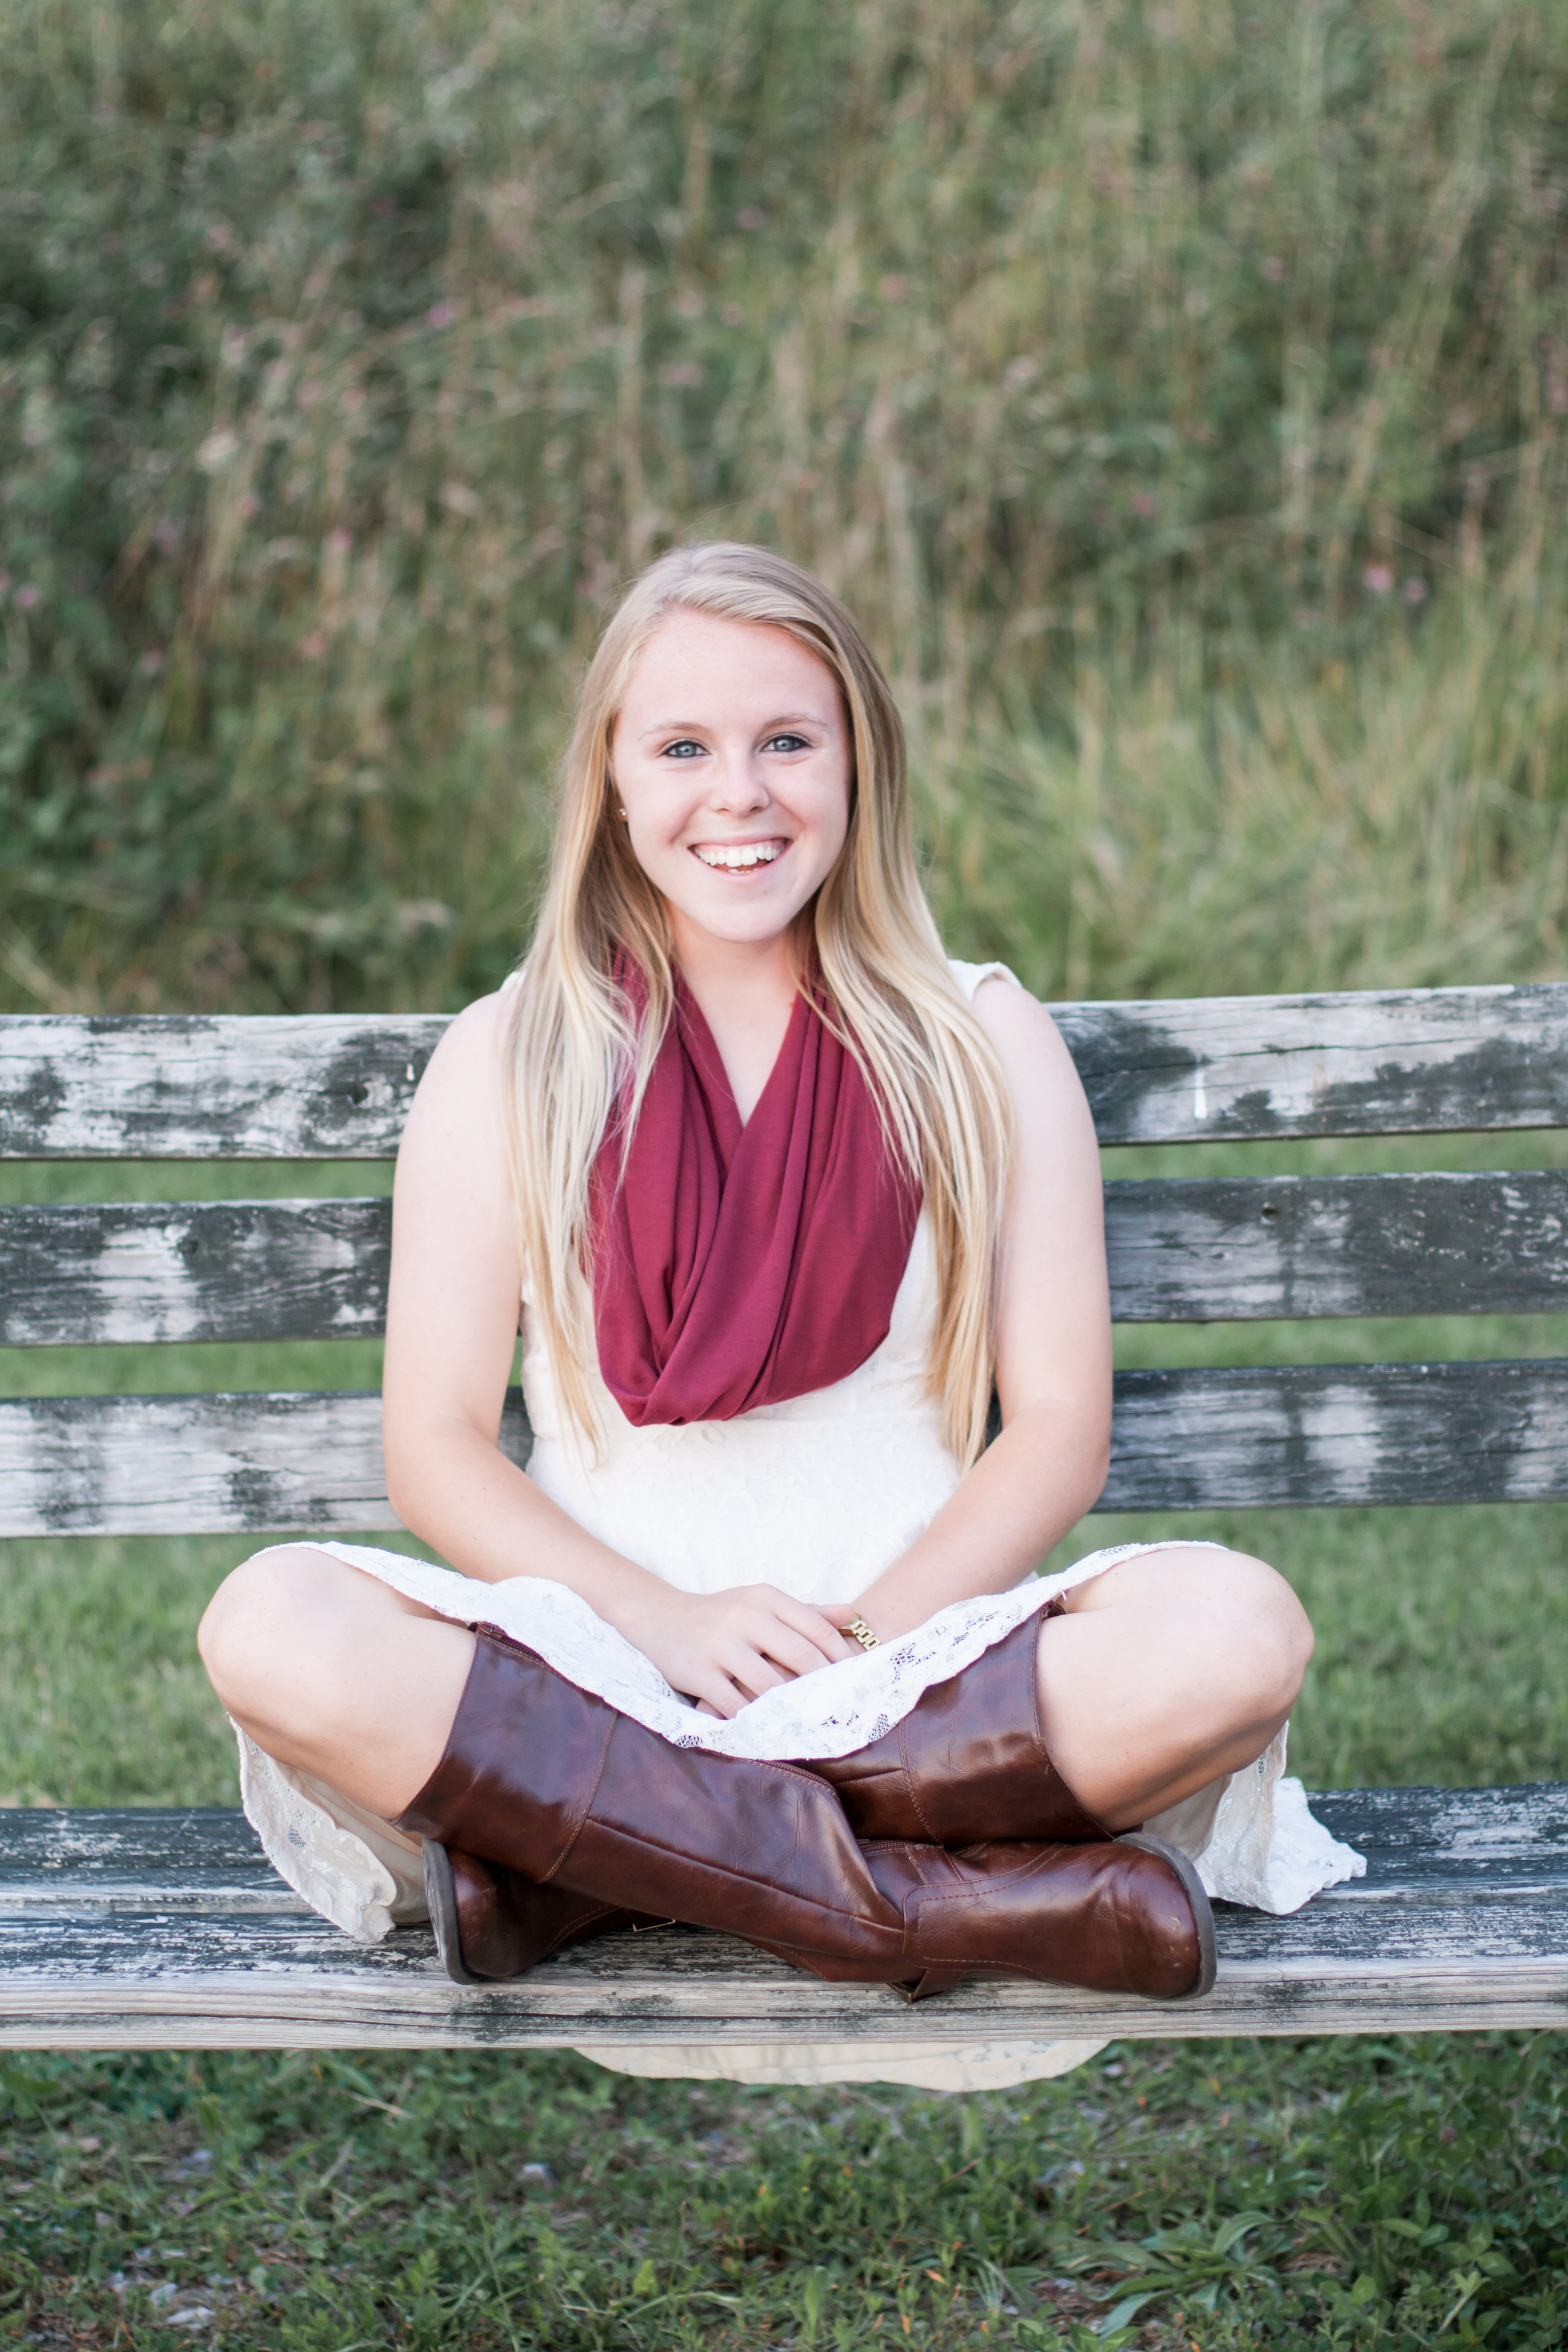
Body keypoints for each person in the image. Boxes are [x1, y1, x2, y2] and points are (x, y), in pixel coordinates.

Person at [199, 543, 1358, 2094]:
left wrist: (867, 1650)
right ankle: (911, 1900)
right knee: (270, 1621)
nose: (738, 793)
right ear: (613, 786)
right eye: (682, 747)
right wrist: (664, 1627)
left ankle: (588, 1871)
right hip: (595, 1668)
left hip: (923, 1667)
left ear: (858, 764)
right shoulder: (516, 1052)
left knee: (1239, 1632)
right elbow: (437, 1446)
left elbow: (1057, 1429)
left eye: (787, 740)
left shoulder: (978, 1035)